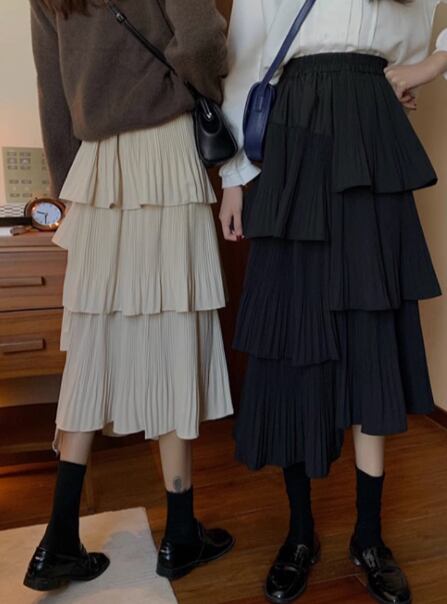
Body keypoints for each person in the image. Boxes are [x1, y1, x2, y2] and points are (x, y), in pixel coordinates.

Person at [219, 1, 447, 602]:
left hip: (373, 128)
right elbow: (244, 63)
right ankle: (301, 533)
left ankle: (369, 538)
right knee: (294, 340)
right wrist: (235, 179)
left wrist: (428, 66)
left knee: (373, 332)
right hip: (295, 131)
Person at [24, 0, 234, 592]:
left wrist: (70, 185)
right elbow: (201, 40)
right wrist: (193, 91)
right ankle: (180, 532)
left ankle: (58, 538)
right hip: (164, 153)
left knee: (91, 350)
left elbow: (52, 90)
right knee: (173, 335)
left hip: (95, 166)